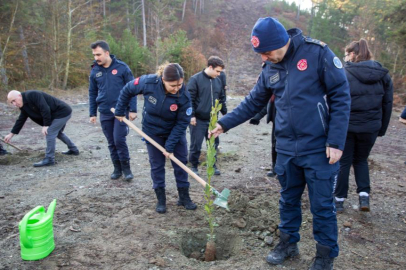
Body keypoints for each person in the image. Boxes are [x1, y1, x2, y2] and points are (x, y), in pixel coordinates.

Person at [209, 17, 351, 270]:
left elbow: (341, 96)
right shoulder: (269, 68)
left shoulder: (317, 53)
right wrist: (225, 123)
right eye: (259, 54)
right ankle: (287, 244)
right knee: (287, 200)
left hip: (319, 148)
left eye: (266, 52)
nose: (263, 58)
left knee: (322, 207)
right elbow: (253, 102)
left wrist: (336, 141)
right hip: (286, 147)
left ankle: (325, 256)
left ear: (281, 42)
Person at [114, 63, 197, 214]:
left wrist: (170, 145)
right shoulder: (148, 82)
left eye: (179, 84)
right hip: (152, 132)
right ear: (163, 79)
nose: (177, 88)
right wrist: (120, 110)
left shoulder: (184, 95)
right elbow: (127, 89)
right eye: (173, 85)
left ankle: (184, 198)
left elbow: (182, 122)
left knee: (181, 164)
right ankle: (161, 200)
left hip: (174, 132)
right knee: (157, 165)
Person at [334, 39, 393, 213]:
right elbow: (387, 104)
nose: (345, 58)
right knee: (361, 160)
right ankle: (364, 197)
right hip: (371, 127)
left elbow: (336, 102)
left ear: (353, 54)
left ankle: (338, 200)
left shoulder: (344, 73)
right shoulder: (383, 75)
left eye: (346, 54)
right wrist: (382, 128)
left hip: (348, 126)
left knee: (344, 161)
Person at [89, 40, 137, 181]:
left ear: (107, 53)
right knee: (111, 141)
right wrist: (92, 113)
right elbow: (92, 92)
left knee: (119, 139)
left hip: (121, 111)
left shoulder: (122, 68)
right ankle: (117, 168)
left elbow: (132, 88)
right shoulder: (95, 71)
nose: (96, 57)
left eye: (98, 54)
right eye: (94, 55)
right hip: (104, 111)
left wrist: (133, 109)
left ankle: (126, 169)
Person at [5, 90, 79, 167]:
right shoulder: (24, 106)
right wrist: (11, 134)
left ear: (19, 95)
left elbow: (45, 108)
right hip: (54, 116)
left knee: (49, 132)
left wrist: (46, 125)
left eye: (14, 100)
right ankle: (74, 150)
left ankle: (49, 159)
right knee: (58, 133)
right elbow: (21, 120)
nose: (14, 104)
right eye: (11, 102)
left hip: (62, 112)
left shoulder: (32, 95)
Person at [188, 56, 227, 176]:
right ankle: (194, 166)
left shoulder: (218, 80)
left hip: (213, 120)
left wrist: (225, 113)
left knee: (214, 144)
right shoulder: (195, 79)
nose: (219, 74)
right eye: (217, 71)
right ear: (210, 67)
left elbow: (221, 98)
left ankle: (212, 165)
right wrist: (192, 115)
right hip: (198, 120)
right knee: (196, 144)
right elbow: (189, 99)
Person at [249, 94, 277, 177]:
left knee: (282, 147)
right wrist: (257, 117)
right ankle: (275, 168)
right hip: (276, 122)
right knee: (274, 146)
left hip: (285, 124)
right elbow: (267, 105)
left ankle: (282, 170)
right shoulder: (273, 93)